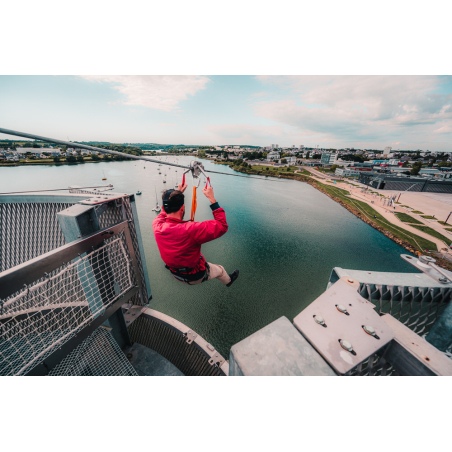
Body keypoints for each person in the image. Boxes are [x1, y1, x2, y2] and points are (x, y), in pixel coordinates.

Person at [152, 182, 239, 287]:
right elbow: (222, 226)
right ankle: (228, 281)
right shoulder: (191, 230)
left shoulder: (157, 225)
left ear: (164, 207)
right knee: (220, 270)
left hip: (176, 274)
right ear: (182, 208)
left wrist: (178, 193)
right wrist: (212, 198)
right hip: (195, 276)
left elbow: (163, 213)